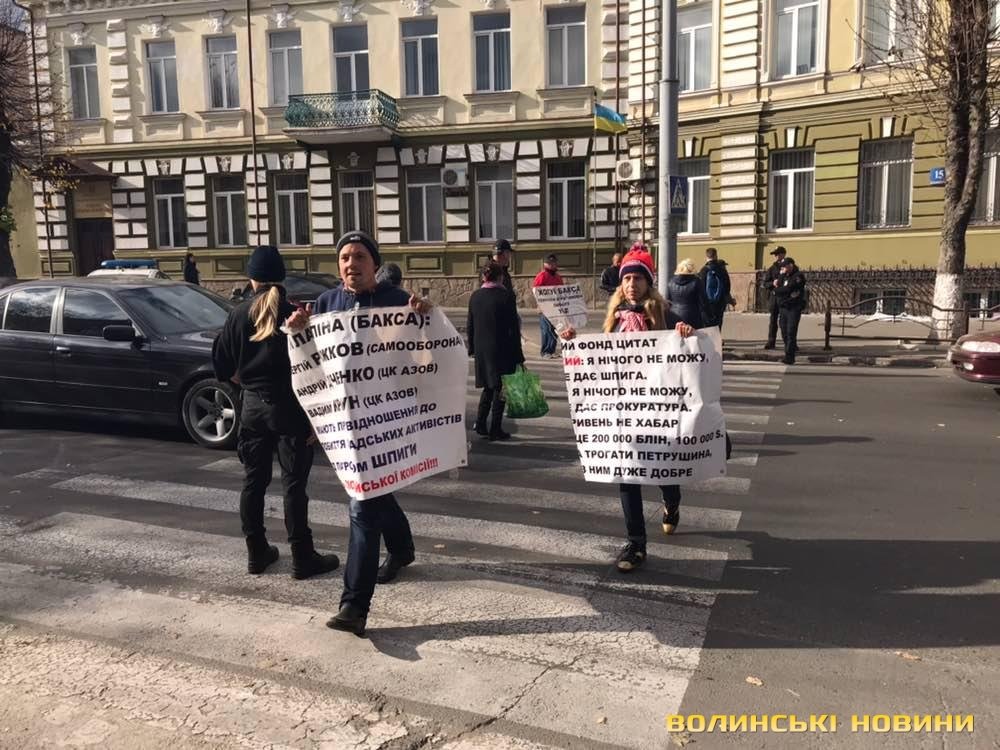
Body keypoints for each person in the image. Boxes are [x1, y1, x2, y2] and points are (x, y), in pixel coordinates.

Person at [303, 230, 432, 636]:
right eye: (345, 257)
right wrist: (298, 331)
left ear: (374, 263)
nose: (351, 263)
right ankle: (402, 549)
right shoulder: (326, 303)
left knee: (363, 503)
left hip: (387, 421)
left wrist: (426, 320)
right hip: (347, 423)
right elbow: (315, 364)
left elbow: (427, 356)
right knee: (375, 491)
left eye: (359, 256)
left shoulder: (399, 301)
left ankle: (354, 605)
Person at [560, 248, 695, 572]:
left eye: (638, 278)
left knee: (663, 467)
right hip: (624, 412)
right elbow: (599, 360)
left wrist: (687, 335)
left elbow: (692, 355)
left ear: (649, 283)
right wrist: (573, 341)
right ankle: (636, 544)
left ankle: (671, 502)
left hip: (658, 411)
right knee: (626, 473)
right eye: (627, 279)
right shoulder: (614, 318)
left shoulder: (665, 314)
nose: (632, 284)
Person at [211, 245, 340, 581]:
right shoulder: (295, 315)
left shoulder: (237, 315)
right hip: (291, 410)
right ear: (282, 277)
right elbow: (318, 370)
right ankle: (302, 556)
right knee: (294, 486)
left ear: (251, 278)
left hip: (252, 408)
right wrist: (317, 418)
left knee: (253, 482)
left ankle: (256, 553)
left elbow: (222, 366)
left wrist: (248, 382)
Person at [467, 260, 524, 441]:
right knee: (500, 389)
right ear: (500, 277)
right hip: (502, 349)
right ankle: (495, 428)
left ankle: (481, 423)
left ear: (484, 277)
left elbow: (470, 325)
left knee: (488, 387)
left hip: (482, 350)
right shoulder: (506, 296)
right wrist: (519, 356)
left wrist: (472, 348)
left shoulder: (475, 296)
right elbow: (513, 328)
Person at [774, 256, 807, 365]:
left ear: (790, 265)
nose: (782, 268)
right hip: (783, 307)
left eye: (784, 267)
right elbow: (778, 285)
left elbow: (789, 288)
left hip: (793, 308)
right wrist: (781, 276)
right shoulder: (784, 276)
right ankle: (787, 352)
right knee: (784, 331)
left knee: (791, 332)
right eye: (781, 267)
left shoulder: (798, 276)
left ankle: (790, 357)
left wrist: (777, 291)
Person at [532, 254, 564, 358]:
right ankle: (545, 351)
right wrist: (540, 305)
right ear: (546, 264)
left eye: (554, 263)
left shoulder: (557, 277)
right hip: (545, 308)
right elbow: (536, 291)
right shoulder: (542, 276)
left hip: (556, 307)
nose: (554, 265)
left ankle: (552, 350)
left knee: (554, 329)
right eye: (551, 263)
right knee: (546, 330)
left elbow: (562, 290)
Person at [666, 258, 706, 329]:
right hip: (693, 317)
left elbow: (668, 301)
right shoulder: (696, 282)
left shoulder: (671, 282)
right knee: (692, 335)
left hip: (674, 316)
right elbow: (703, 301)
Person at [699, 247, 733, 330]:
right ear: (716, 256)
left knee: (707, 326)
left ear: (706, 257)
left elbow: (700, 288)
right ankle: (717, 337)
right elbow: (727, 286)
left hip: (707, 304)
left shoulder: (703, 270)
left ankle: (708, 338)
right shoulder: (722, 270)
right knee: (718, 325)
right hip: (720, 303)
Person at [762, 246, 786, 349]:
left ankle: (788, 342)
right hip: (775, 298)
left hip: (785, 298)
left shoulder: (789, 265)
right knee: (773, 321)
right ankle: (771, 342)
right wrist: (772, 283)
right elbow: (765, 283)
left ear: (783, 254)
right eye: (775, 254)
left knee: (785, 321)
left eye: (777, 254)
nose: (776, 256)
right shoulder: (772, 268)